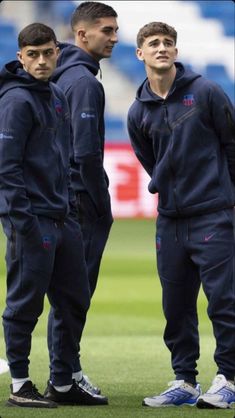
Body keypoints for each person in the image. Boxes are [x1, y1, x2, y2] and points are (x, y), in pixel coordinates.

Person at [127, 21, 235, 409]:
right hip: (170, 220)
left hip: (213, 214)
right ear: (139, 53)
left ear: (176, 50)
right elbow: (149, 161)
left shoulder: (205, 91)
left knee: (224, 300)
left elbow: (231, 143)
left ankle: (229, 378)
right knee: (175, 305)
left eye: (168, 43)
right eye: (153, 43)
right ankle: (184, 381)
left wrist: (228, 198)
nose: (162, 48)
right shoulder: (138, 110)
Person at [0, 22, 107, 407]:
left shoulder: (58, 94)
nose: (42, 60)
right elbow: (6, 168)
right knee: (24, 304)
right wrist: (23, 221)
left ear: (57, 52)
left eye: (47, 53)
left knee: (75, 297)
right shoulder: (15, 101)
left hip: (63, 217)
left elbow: (64, 160)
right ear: (21, 57)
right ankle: (20, 386)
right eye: (33, 54)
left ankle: (63, 380)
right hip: (33, 219)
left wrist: (69, 209)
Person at [47, 1, 118, 395]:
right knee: (75, 294)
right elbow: (87, 155)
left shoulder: (56, 76)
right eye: (106, 30)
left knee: (63, 293)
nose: (115, 37)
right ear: (81, 34)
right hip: (78, 199)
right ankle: (64, 377)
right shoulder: (86, 83)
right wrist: (102, 204)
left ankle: (65, 372)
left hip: (54, 195)